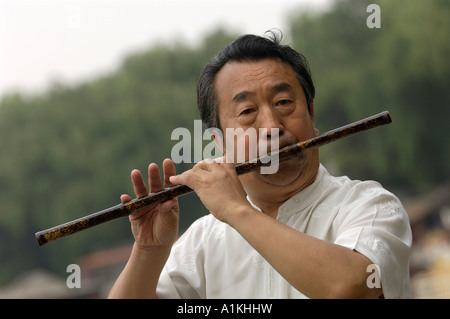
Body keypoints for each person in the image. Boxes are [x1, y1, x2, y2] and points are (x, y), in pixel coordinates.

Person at [108, 32, 412, 299]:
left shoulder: (370, 206)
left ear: (312, 116)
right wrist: (149, 252)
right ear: (220, 143)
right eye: (248, 111)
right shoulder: (202, 243)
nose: (271, 125)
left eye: (283, 103)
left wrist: (237, 210)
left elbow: (348, 288)